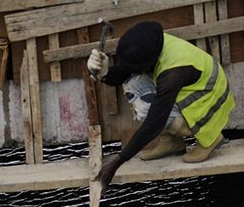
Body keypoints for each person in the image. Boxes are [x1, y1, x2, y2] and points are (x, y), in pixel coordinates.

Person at [87, 21, 235, 190]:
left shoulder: (173, 73)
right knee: (132, 83)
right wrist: (104, 73)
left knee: (146, 110)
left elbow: (155, 122)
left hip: (209, 101)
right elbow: (124, 73)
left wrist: (116, 162)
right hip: (193, 87)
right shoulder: (153, 44)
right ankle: (171, 142)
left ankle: (211, 138)